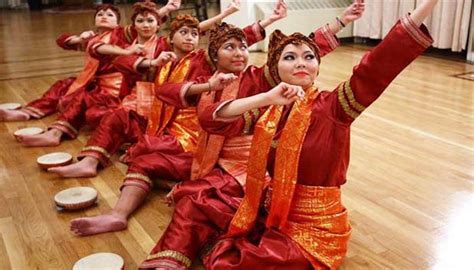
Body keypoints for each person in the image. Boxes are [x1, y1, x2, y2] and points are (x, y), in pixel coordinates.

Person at [138, 1, 371, 268]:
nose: (240, 53)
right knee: (168, 177)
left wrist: (341, 20)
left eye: (243, 47)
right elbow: (173, 98)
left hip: (251, 170)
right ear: (213, 56)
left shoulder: (260, 78)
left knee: (194, 199)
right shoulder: (204, 76)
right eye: (230, 48)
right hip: (209, 160)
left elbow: (300, 51)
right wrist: (205, 86)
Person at [49, 0, 242, 178]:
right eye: (140, 21)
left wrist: (229, 14)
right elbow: (112, 58)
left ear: (159, 27)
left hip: (174, 127)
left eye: (150, 21)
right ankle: (88, 161)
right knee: (113, 116)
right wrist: (147, 60)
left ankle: (132, 151)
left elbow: (220, 41)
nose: (146, 25)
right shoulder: (139, 47)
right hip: (146, 116)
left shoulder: (193, 56)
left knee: (139, 145)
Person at [15, 1, 180, 147]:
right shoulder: (93, 37)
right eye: (100, 14)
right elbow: (62, 40)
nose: (104, 16)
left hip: (116, 90)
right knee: (64, 85)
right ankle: (32, 114)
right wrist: (79, 39)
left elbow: (147, 21)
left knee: (86, 103)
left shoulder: (123, 34)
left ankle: (56, 132)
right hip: (95, 84)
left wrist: (167, 8)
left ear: (118, 23)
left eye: (109, 14)